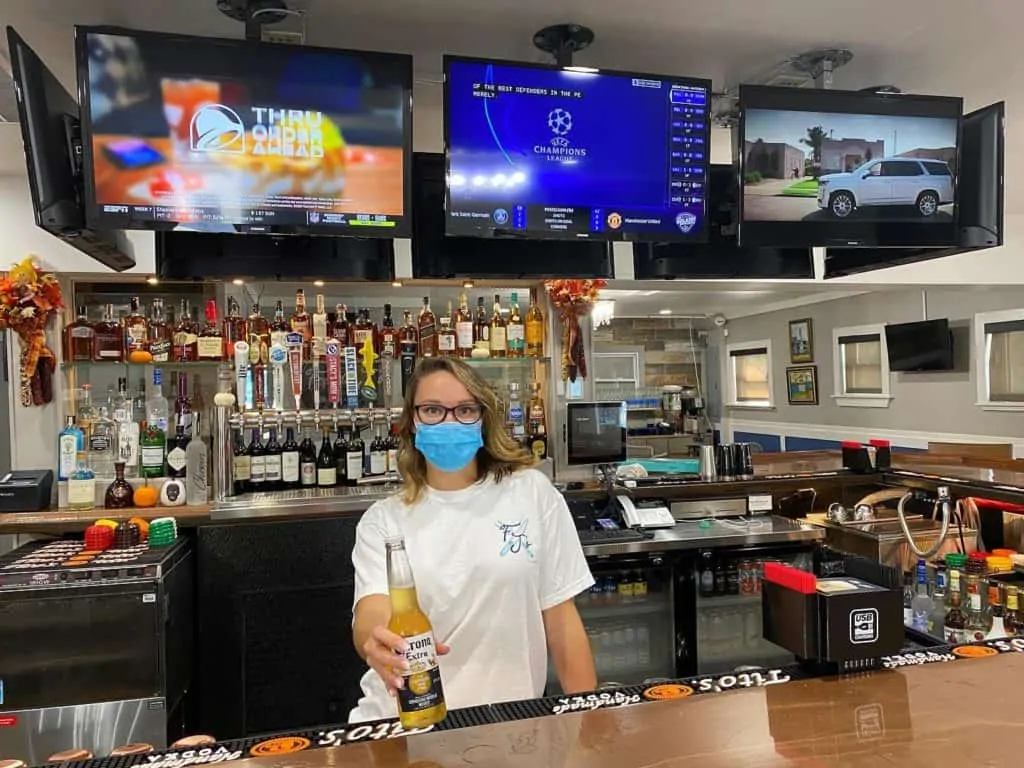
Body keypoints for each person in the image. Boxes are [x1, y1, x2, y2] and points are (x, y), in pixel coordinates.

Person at [349, 357, 596, 723]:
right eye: (432, 410)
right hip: (404, 723)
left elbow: (561, 621)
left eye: (464, 409)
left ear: (483, 418)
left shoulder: (531, 493)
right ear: (412, 423)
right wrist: (379, 641)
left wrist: (589, 721)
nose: (449, 421)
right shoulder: (384, 520)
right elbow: (371, 612)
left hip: (511, 727)